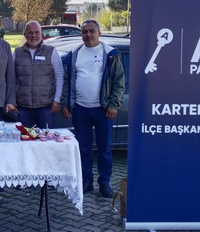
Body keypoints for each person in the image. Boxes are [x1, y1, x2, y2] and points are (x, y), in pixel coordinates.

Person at [61, 20, 125, 198]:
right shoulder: (74, 54)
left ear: (99, 33)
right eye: (84, 32)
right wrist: (67, 104)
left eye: (92, 31)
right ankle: (86, 181)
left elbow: (118, 82)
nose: (88, 35)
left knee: (104, 149)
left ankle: (104, 183)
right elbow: (67, 81)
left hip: (103, 110)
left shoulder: (111, 53)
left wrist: (113, 104)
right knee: (84, 148)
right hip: (80, 109)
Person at [13, 21, 63, 129]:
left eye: (37, 32)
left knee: (45, 141)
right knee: (24, 140)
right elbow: (11, 78)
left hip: (45, 108)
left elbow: (59, 76)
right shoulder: (17, 53)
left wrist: (57, 100)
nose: (33, 36)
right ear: (25, 35)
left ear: (41, 34)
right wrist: (11, 100)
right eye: (30, 33)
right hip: (22, 108)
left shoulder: (51, 51)